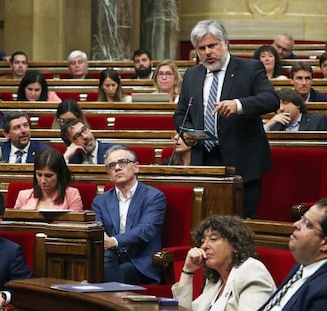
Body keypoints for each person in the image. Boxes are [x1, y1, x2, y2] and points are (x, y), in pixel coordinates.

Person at [173, 19, 279, 219]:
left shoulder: (250, 68)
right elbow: (180, 114)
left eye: (212, 45)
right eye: (202, 48)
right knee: (207, 221)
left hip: (243, 161)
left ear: (225, 43)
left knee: (240, 225)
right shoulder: (192, 75)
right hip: (204, 159)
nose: (207, 52)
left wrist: (239, 105)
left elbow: (271, 100)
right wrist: (186, 132)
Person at [92, 145, 166, 284]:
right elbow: (97, 227)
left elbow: (146, 230)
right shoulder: (100, 200)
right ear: (109, 175)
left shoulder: (154, 197)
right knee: (98, 264)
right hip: (110, 256)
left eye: (123, 162)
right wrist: (103, 239)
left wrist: (113, 241)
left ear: (136, 167)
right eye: (112, 165)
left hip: (139, 260)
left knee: (115, 272)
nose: (117, 168)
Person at [172, 215, 276, 310]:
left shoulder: (251, 270)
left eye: (213, 239)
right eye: (202, 241)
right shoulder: (215, 281)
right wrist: (188, 271)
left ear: (235, 245)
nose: (204, 246)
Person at [258, 199, 327, 311]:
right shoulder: (303, 264)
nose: (296, 224)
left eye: (307, 224)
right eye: (302, 219)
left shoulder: (324, 291)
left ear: (325, 243)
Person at [14, 148, 83, 210]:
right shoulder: (23, 196)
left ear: (59, 174)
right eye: (39, 175)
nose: (43, 181)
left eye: (48, 176)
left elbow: (75, 223)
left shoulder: (72, 195)